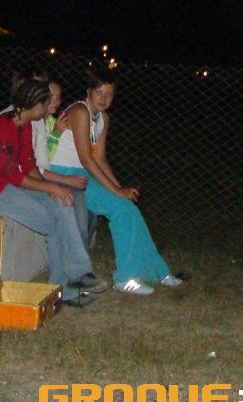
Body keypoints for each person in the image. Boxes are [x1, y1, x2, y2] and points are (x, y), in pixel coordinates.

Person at [0, 79, 107, 307]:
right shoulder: (1, 127)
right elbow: (14, 175)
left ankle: (79, 275)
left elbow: (29, 165)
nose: (50, 108)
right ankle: (65, 288)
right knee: (53, 222)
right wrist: (50, 187)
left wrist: (53, 188)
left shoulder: (25, 126)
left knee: (63, 203)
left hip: (13, 185)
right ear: (36, 105)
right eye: (46, 103)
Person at [49, 69, 182, 295]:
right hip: (65, 174)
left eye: (109, 94)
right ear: (89, 92)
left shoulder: (103, 118)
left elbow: (100, 159)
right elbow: (86, 159)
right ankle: (125, 279)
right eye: (99, 92)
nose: (104, 98)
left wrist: (120, 189)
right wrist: (116, 191)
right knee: (121, 208)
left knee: (128, 208)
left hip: (84, 174)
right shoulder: (79, 111)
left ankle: (158, 271)